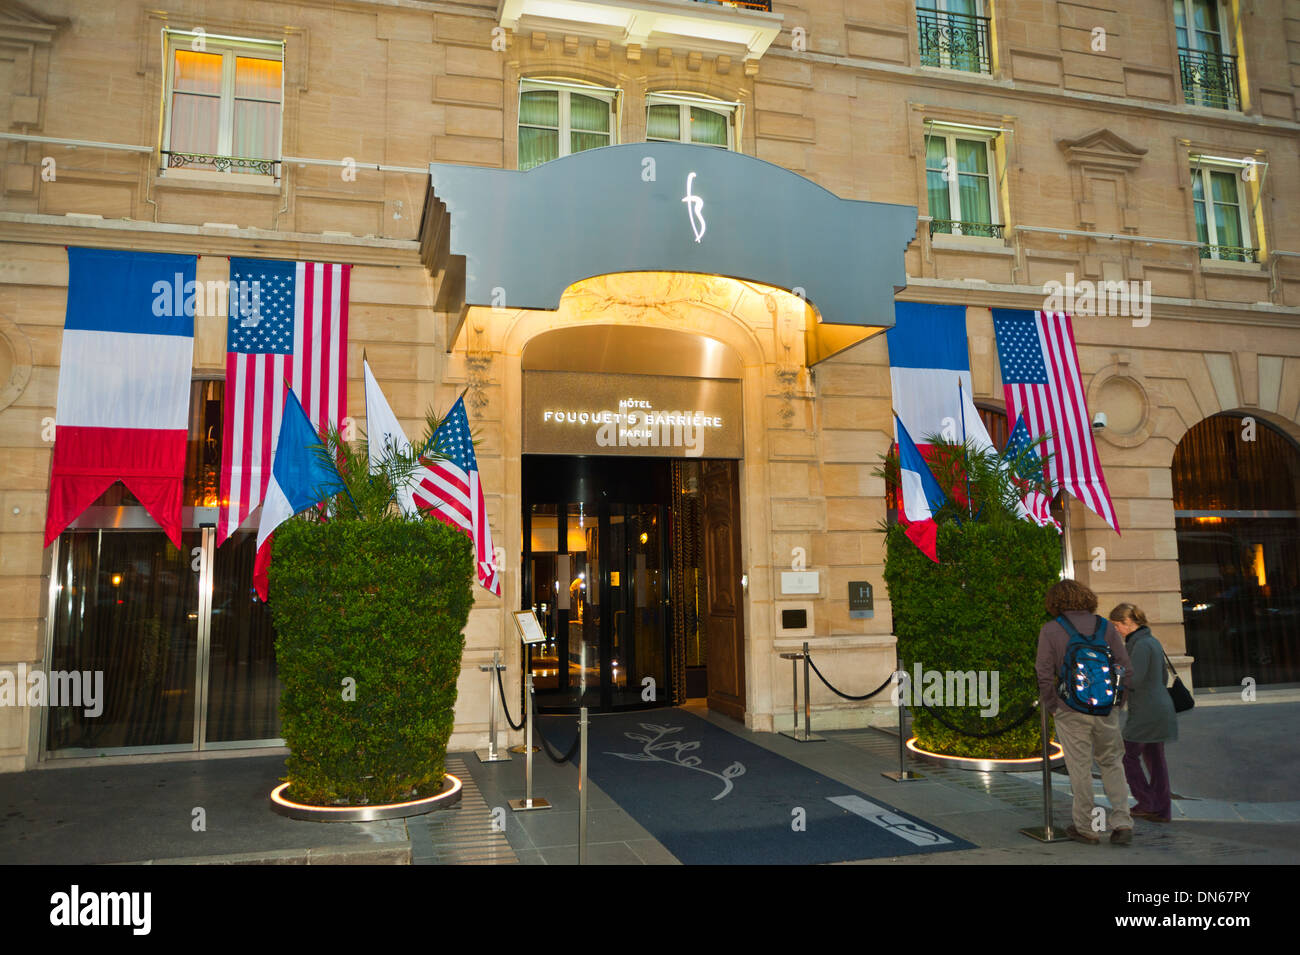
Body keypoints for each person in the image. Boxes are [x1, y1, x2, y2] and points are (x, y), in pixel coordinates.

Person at [1035, 579, 1134, 846]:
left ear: (1054, 602)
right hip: (1105, 709)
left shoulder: (1051, 630)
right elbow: (1125, 667)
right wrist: (1117, 702)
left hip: (1070, 708)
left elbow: (1043, 673)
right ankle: (1122, 822)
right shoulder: (1105, 626)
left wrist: (1053, 705)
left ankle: (1086, 828)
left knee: (1079, 767)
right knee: (1112, 762)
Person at [1109, 602, 1177, 823]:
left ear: (1128, 623)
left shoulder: (1139, 645)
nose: (1116, 630)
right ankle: (1161, 808)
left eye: (1117, 625)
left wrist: (1115, 671)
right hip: (1159, 708)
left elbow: (1134, 679)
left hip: (1146, 711)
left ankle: (1147, 802)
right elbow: (1163, 678)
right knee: (1156, 760)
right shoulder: (1151, 641)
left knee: (1127, 755)